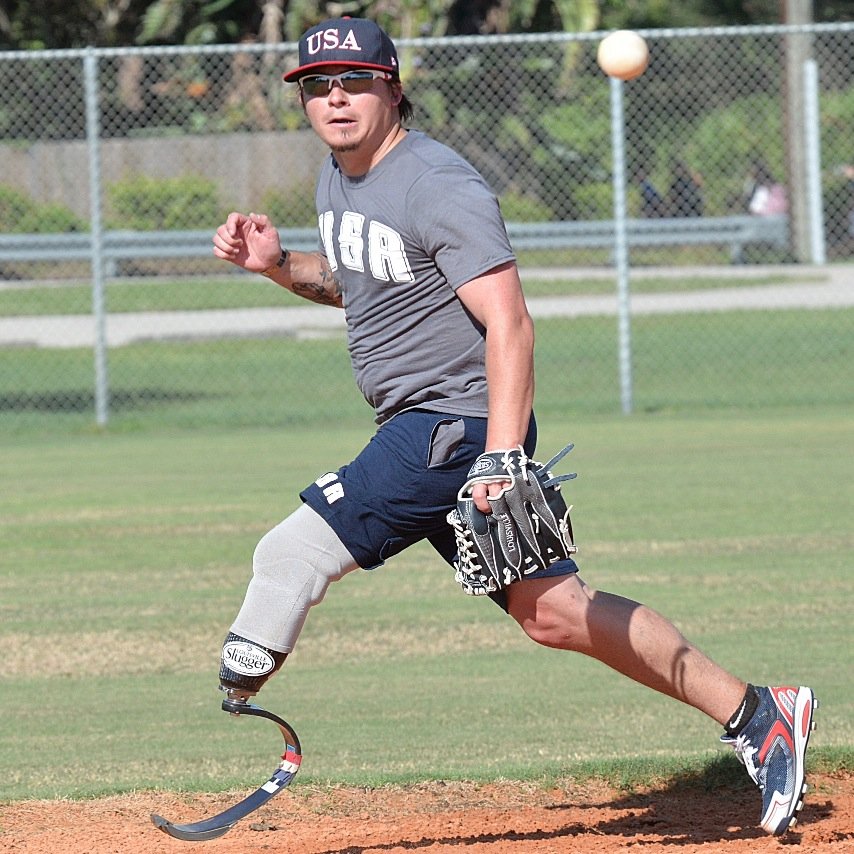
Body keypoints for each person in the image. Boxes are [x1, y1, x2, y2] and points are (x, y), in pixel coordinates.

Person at [212, 17, 816, 837]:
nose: (335, 98)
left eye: (353, 80)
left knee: (292, 552)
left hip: (451, 425)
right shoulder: (339, 178)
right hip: (433, 425)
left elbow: (510, 323)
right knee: (556, 613)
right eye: (318, 86)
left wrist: (500, 452)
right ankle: (760, 713)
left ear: (392, 84)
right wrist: (279, 267)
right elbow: (364, 283)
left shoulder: (436, 183)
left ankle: (236, 689)